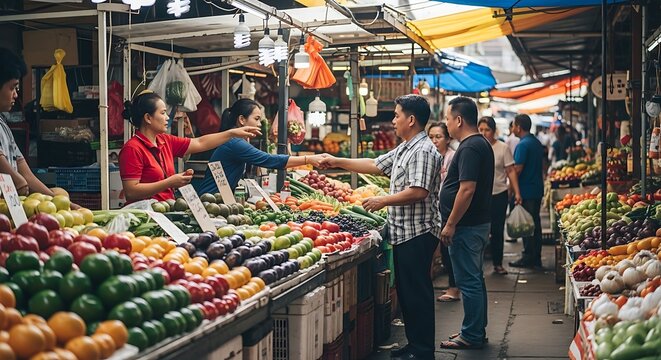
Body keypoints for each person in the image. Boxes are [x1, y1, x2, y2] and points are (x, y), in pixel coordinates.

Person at [320, 95, 441, 360]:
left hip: (418, 233)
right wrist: (337, 161)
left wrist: (382, 200)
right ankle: (415, 346)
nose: (393, 120)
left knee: (417, 293)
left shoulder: (422, 150)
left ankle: (423, 352)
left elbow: (418, 191)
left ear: (411, 119)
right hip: (405, 232)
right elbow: (375, 165)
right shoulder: (406, 147)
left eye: (397, 115)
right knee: (409, 294)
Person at [118, 91, 260, 203]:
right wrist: (170, 182)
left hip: (166, 212)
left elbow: (200, 143)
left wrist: (231, 133)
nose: (168, 117)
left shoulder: (165, 140)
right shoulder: (132, 148)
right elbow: (131, 191)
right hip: (145, 215)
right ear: (148, 118)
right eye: (162, 113)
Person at [438, 97, 493, 350]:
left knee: (468, 281)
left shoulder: (470, 147)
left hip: (467, 227)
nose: (446, 125)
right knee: (474, 279)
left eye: (448, 119)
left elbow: (467, 189)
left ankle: (471, 335)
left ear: (459, 120)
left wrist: (450, 224)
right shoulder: (478, 144)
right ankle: (474, 331)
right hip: (475, 225)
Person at [196, 99, 324, 194]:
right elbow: (269, 160)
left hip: (217, 200)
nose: (259, 124)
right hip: (209, 200)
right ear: (242, 120)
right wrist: (307, 159)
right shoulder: (235, 143)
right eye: (256, 119)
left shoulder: (237, 141)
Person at [0, 48, 68, 198]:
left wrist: (56, 201)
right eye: (12, 87)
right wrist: (17, 180)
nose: (16, 95)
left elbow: (25, 173)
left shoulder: (3, 124)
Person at [478, 116, 522, 275]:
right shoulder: (475, 147)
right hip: (479, 197)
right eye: (481, 130)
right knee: (479, 231)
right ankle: (478, 265)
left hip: (499, 194)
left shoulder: (503, 148)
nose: (483, 133)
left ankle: (498, 263)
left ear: (494, 131)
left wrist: (517, 192)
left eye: (487, 130)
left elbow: (510, 171)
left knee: (497, 231)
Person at [428, 123, 460, 302]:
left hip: (447, 210)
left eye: (438, 137)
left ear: (448, 139)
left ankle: (454, 288)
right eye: (431, 137)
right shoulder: (429, 156)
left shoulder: (452, 158)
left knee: (448, 250)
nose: (434, 141)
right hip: (432, 210)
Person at [508, 114, 544, 269]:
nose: (512, 129)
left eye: (514, 126)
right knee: (535, 224)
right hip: (536, 188)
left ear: (518, 127)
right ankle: (535, 257)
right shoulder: (536, 142)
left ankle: (528, 257)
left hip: (526, 190)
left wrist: (512, 190)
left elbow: (517, 169)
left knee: (527, 226)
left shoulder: (523, 145)